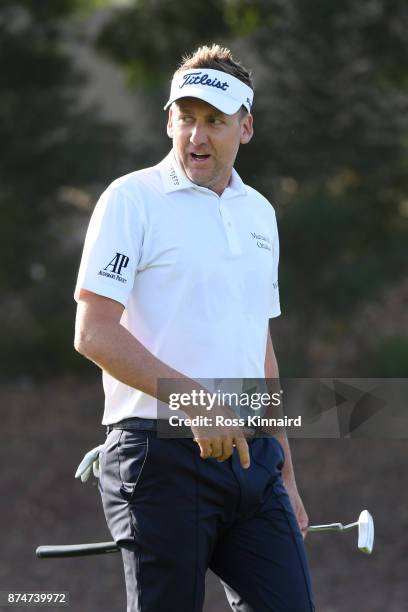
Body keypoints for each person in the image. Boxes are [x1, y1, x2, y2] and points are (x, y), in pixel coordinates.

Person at [74, 44, 315, 612]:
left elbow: (259, 344)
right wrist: (197, 403)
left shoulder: (260, 214)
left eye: (214, 121)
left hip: (251, 463)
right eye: (186, 118)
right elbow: (93, 331)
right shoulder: (131, 200)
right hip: (157, 460)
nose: (197, 136)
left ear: (245, 127)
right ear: (168, 121)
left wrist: (285, 467)